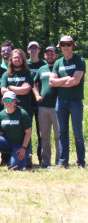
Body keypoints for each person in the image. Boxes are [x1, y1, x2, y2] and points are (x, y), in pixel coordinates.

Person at [49, 36, 85, 168]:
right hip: (61, 101)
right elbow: (51, 82)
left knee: (77, 133)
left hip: (75, 101)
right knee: (62, 132)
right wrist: (67, 79)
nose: (65, 47)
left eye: (68, 44)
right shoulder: (58, 63)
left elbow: (75, 81)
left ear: (72, 46)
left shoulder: (79, 60)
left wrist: (61, 81)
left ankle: (81, 161)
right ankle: (63, 161)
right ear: (60, 47)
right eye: (63, 44)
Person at [0, 92, 32, 170]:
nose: (7, 102)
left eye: (10, 100)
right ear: (3, 101)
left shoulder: (22, 113)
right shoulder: (1, 115)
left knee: (13, 168)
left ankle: (27, 157)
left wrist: (24, 148)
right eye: (5, 100)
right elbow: (0, 132)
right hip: (8, 143)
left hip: (20, 145)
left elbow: (28, 133)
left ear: (15, 101)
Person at [33, 46, 59, 168]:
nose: (50, 56)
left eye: (52, 54)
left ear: (56, 55)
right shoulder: (41, 68)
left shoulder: (59, 67)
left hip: (57, 107)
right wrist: (37, 95)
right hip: (43, 107)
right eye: (48, 54)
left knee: (59, 135)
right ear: (44, 55)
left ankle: (60, 161)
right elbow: (34, 83)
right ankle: (46, 161)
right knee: (44, 135)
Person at [27, 41, 46, 165]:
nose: (33, 51)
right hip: (27, 102)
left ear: (39, 50)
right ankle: (27, 158)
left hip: (41, 103)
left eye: (35, 48)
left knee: (41, 132)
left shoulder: (43, 64)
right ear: (28, 50)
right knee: (26, 131)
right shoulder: (24, 64)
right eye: (31, 49)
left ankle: (41, 158)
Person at [1, 49, 34, 118]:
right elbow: (3, 91)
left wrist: (10, 88)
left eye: (19, 57)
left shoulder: (29, 74)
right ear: (11, 59)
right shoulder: (6, 74)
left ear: (23, 59)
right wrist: (20, 89)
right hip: (9, 109)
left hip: (25, 109)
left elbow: (25, 90)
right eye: (15, 58)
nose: (17, 59)